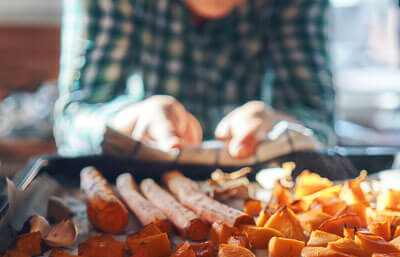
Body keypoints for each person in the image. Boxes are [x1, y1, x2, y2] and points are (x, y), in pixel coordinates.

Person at [54, 0, 335, 158]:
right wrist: (124, 121)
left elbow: (319, 125)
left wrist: (283, 124)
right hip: (138, 178)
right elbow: (74, 119)